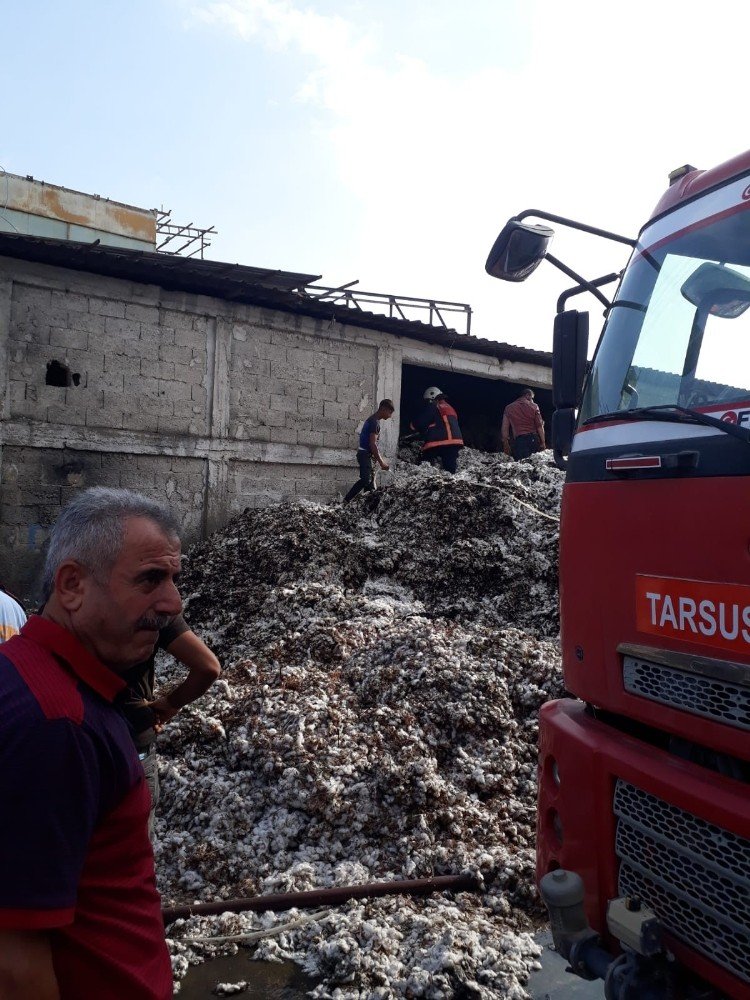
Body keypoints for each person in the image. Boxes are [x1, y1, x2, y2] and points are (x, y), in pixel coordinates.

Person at [0, 487, 181, 1000]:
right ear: (73, 585)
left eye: (173, 579)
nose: (172, 603)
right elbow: (14, 965)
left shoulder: (42, 681)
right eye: (150, 579)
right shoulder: (58, 724)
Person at [121, 614, 221, 839]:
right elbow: (208, 667)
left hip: (78, 744)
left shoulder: (69, 608)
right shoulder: (153, 608)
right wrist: (170, 704)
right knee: (135, 852)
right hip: (135, 744)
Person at [343, 398, 395, 503]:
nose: (390, 416)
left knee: (370, 485)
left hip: (366, 454)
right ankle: (346, 501)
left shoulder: (372, 420)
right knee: (365, 480)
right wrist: (382, 463)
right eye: (390, 413)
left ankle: (369, 509)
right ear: (383, 409)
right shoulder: (374, 423)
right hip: (364, 454)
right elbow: (373, 444)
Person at [411, 386, 464, 473]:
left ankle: (423, 477)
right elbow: (443, 423)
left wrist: (412, 426)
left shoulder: (434, 406)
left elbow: (421, 421)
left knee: (425, 462)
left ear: (432, 398)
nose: (427, 403)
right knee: (450, 468)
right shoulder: (450, 407)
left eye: (427, 401)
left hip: (439, 442)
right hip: (455, 442)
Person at [501, 387, 546, 460]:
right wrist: (543, 442)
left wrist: (506, 444)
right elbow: (539, 426)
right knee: (534, 465)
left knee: (521, 465)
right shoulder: (534, 406)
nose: (532, 400)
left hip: (519, 441)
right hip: (533, 439)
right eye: (532, 398)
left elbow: (505, 428)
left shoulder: (509, 408)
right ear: (527, 395)